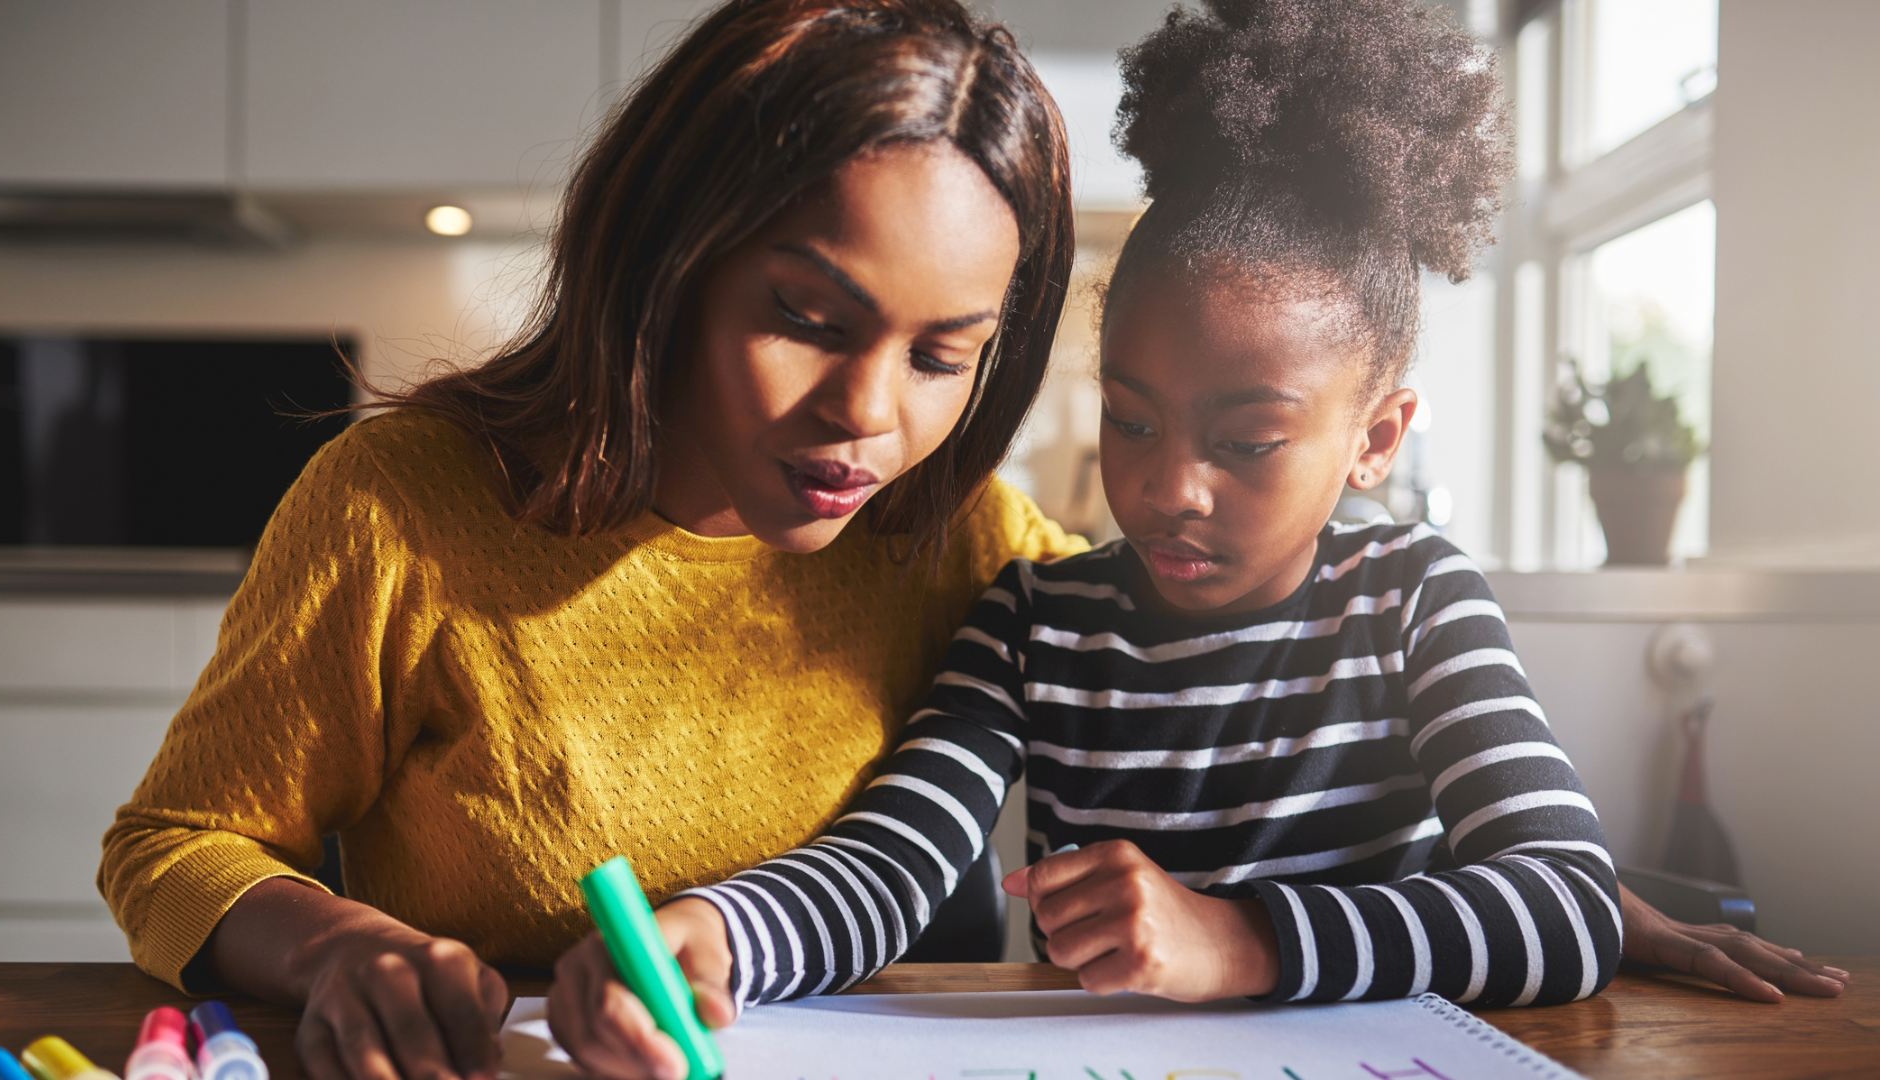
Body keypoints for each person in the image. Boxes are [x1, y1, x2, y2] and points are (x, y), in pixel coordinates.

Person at [562, 1, 1851, 1076]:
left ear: (1375, 438)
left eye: (1245, 444)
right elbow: (891, 866)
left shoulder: (1411, 600)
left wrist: (1238, 943)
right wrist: (725, 930)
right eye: (1131, 420)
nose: (1171, 488)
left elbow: (1564, 902)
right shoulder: (1034, 621)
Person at [96, 4, 1086, 1080]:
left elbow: (1215, 646)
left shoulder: (959, 533)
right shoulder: (400, 510)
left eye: (941, 359)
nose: (869, 413)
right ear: (671, 262)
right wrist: (338, 947)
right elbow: (172, 848)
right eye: (806, 319)